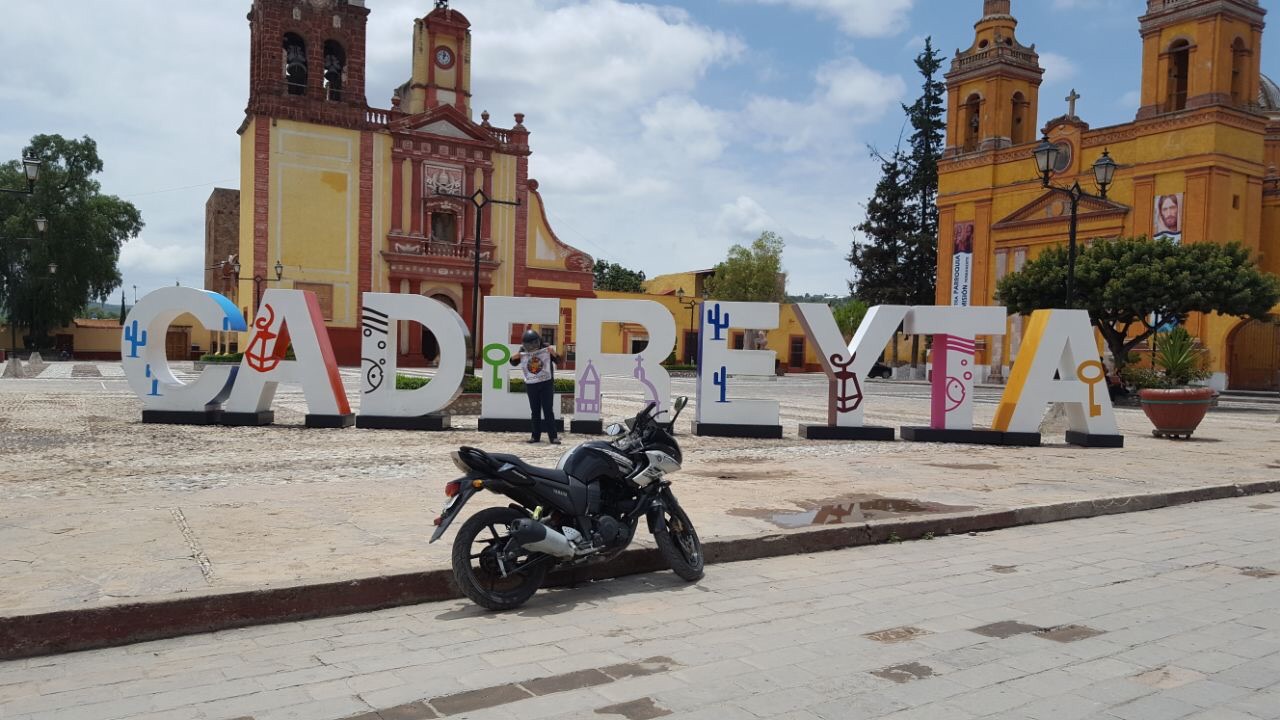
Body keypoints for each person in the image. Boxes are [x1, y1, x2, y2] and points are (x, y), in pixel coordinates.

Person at [510, 329, 561, 445]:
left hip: (546, 384)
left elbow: (559, 361)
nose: (532, 347)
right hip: (532, 385)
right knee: (535, 411)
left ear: (538, 341)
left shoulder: (545, 348)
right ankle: (535, 436)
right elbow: (513, 362)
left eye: (533, 344)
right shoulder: (523, 350)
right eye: (529, 345)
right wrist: (514, 357)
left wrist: (553, 353)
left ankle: (553, 437)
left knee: (548, 411)